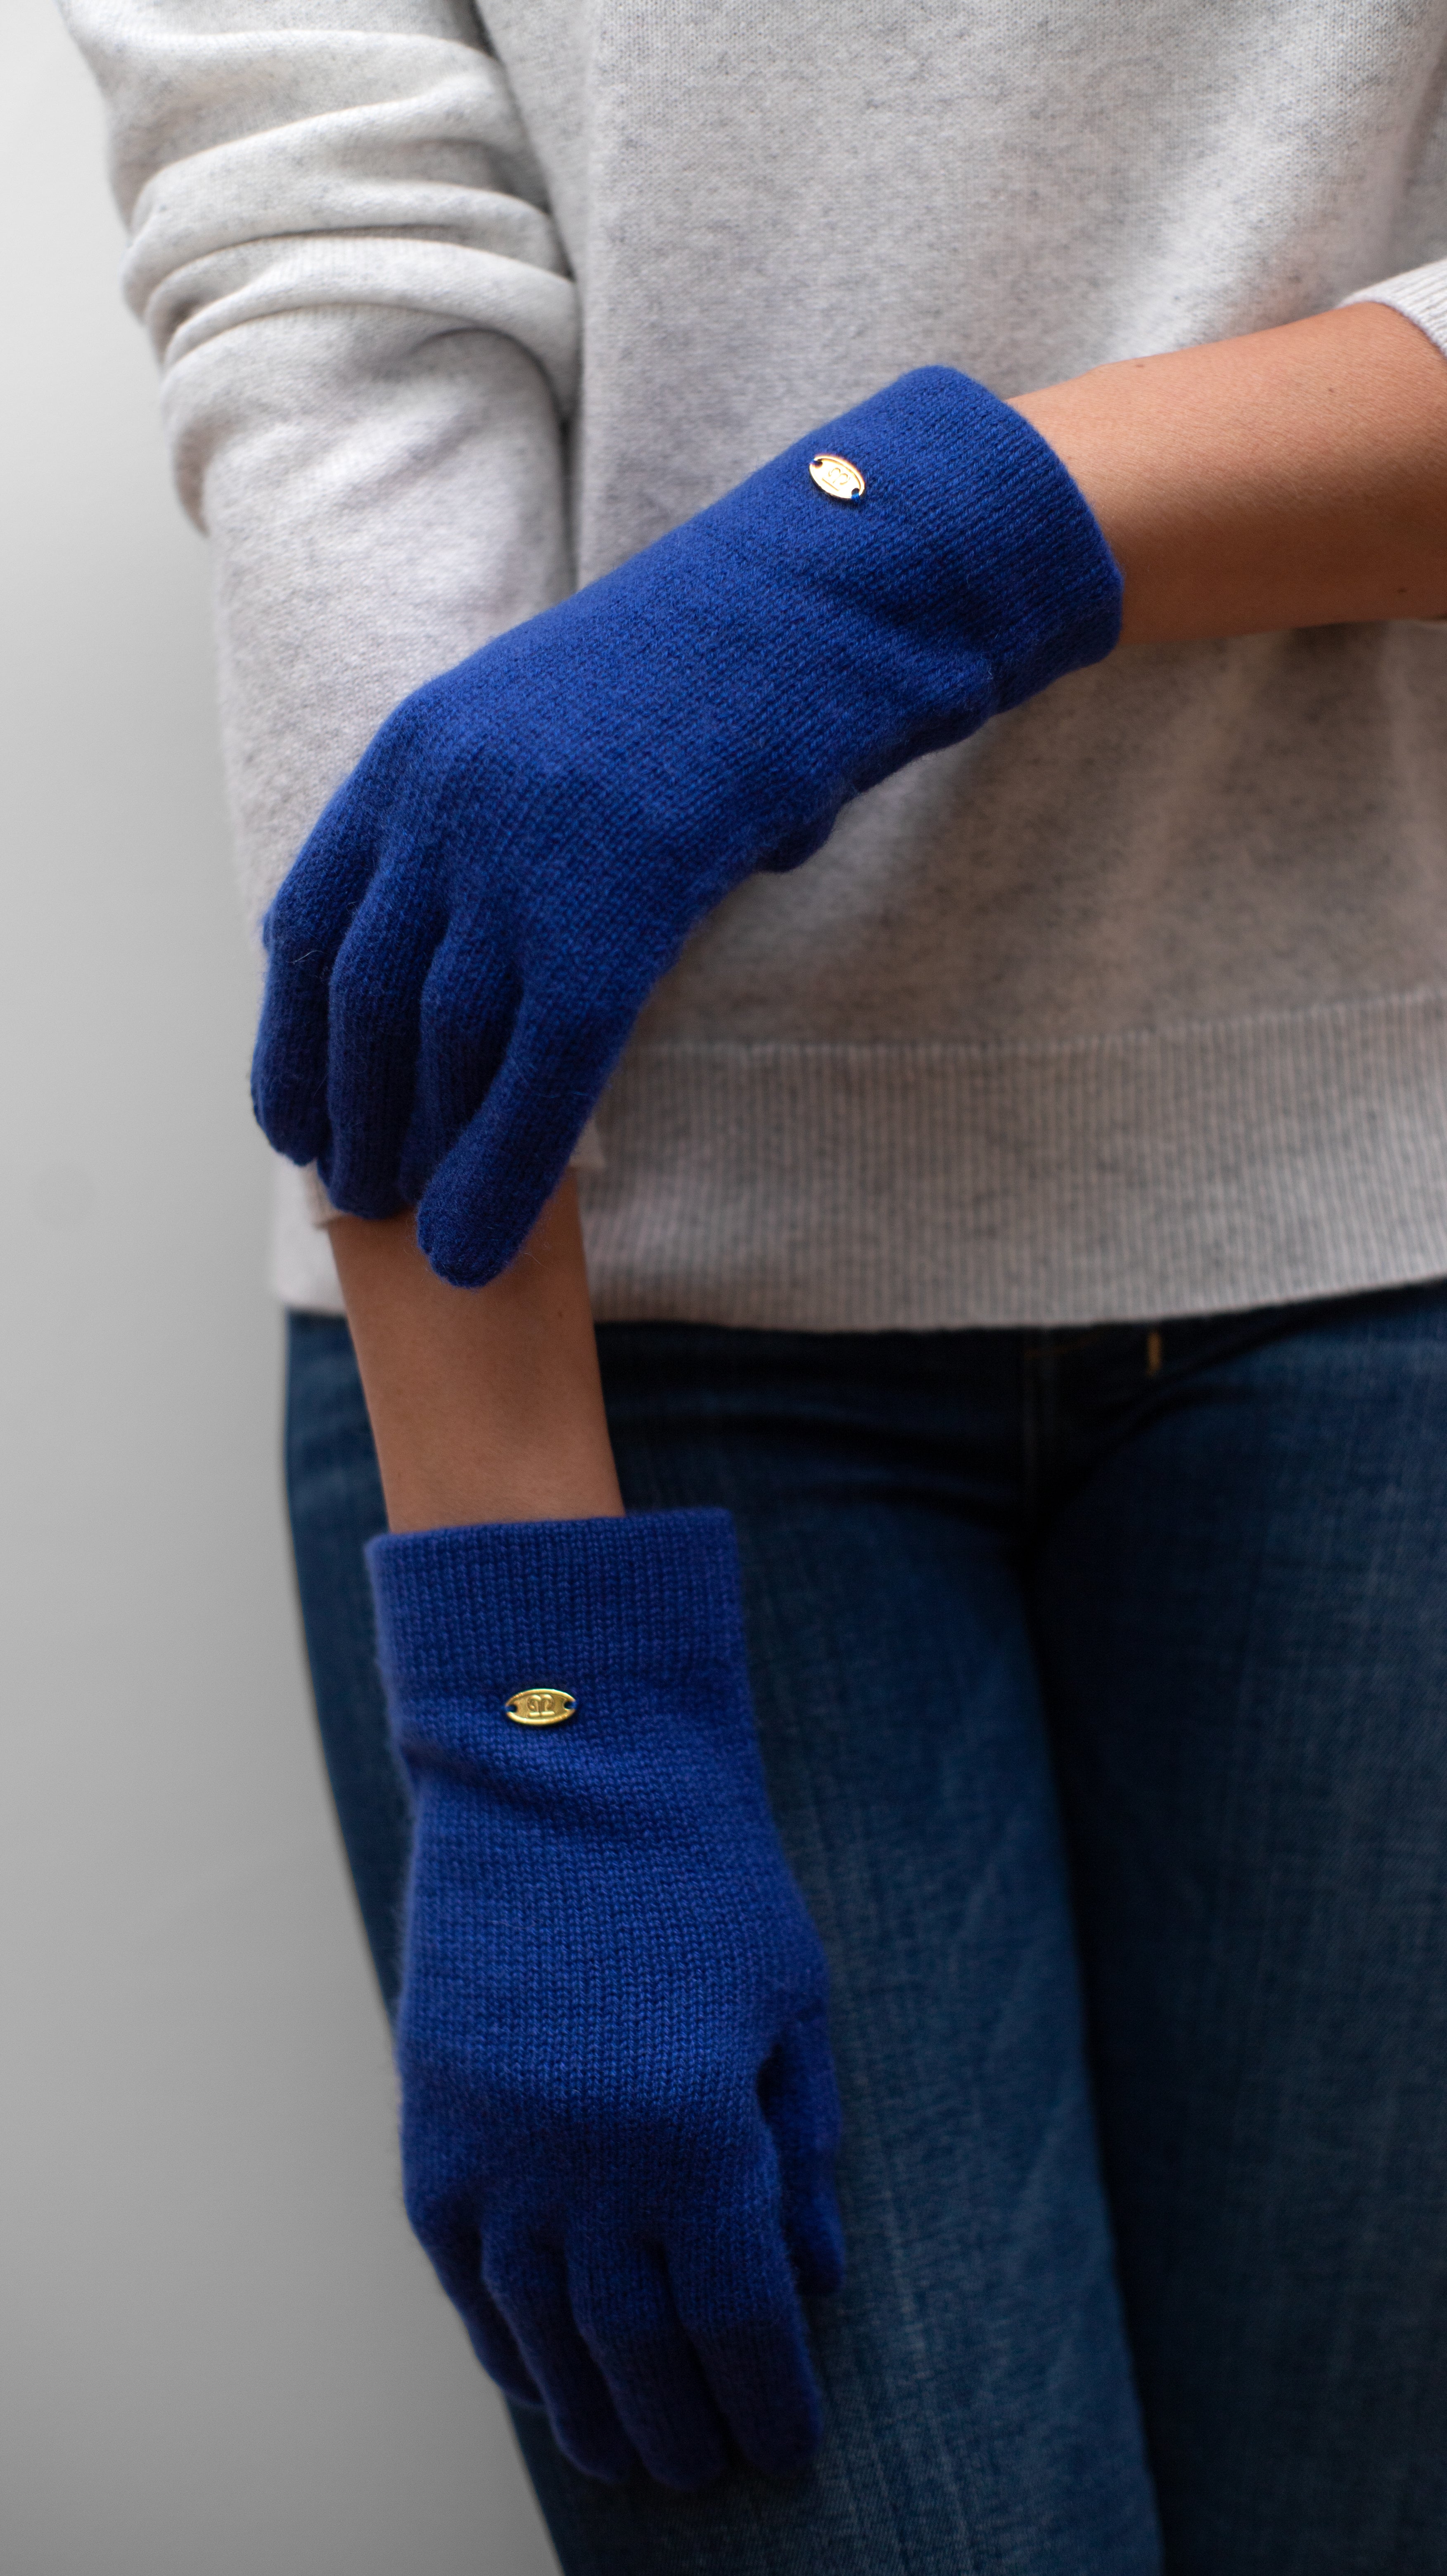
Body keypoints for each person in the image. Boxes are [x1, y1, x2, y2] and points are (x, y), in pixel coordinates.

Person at [63, 2, 1447, 2568]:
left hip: (1394, 1238)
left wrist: (897, 555)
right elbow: (328, 290)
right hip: (592, 1319)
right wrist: (539, 1685)